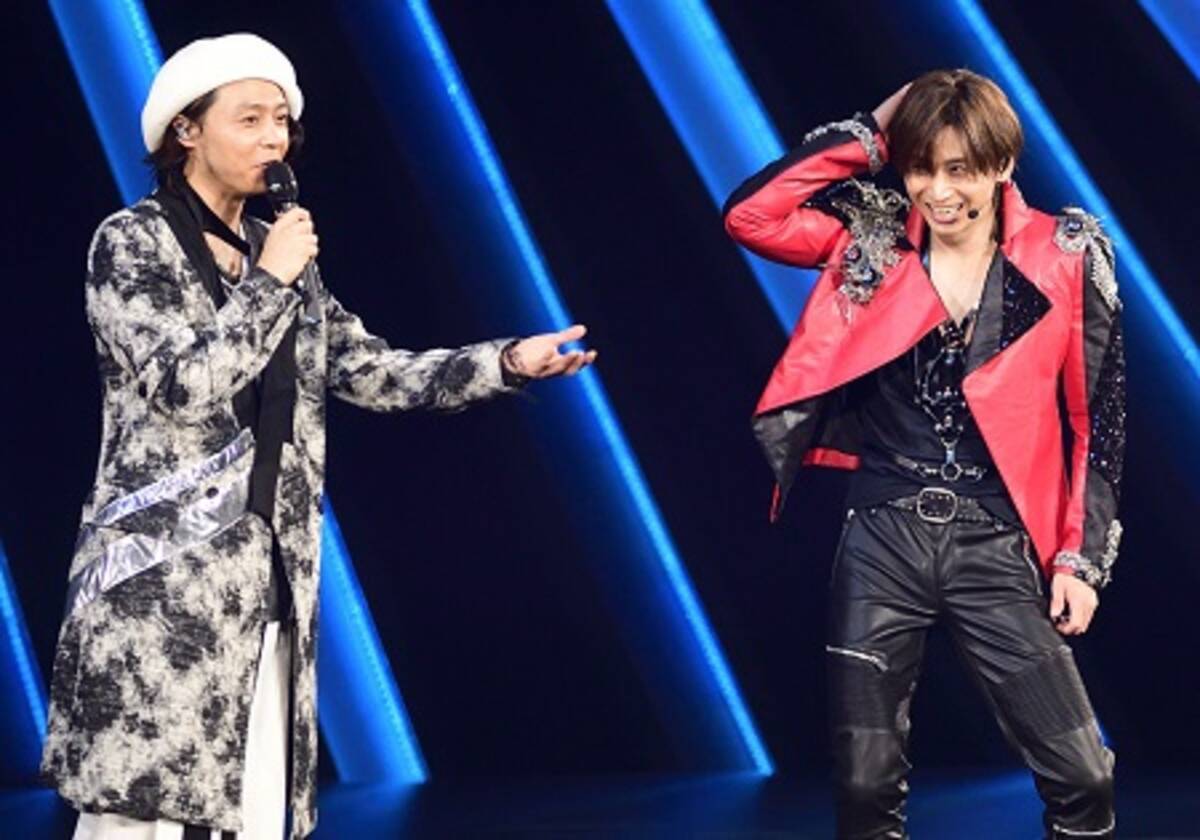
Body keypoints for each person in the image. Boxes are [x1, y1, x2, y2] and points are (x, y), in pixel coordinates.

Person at [40, 33, 595, 840]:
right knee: (147, 819)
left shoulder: (277, 255)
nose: (274, 139)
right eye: (250, 120)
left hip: (267, 585)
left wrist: (507, 362)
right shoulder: (130, 243)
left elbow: (372, 372)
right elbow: (183, 385)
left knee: (253, 815)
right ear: (186, 130)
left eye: (281, 121)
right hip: (159, 594)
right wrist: (271, 280)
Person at [724, 69, 1123, 839]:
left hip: (998, 543)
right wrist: (872, 132)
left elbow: (1097, 419)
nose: (937, 192)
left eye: (959, 170)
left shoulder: (1064, 252)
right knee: (866, 785)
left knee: (1082, 775)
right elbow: (751, 215)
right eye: (919, 167)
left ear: (1003, 164)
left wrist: (1080, 560)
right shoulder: (872, 244)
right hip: (884, 535)